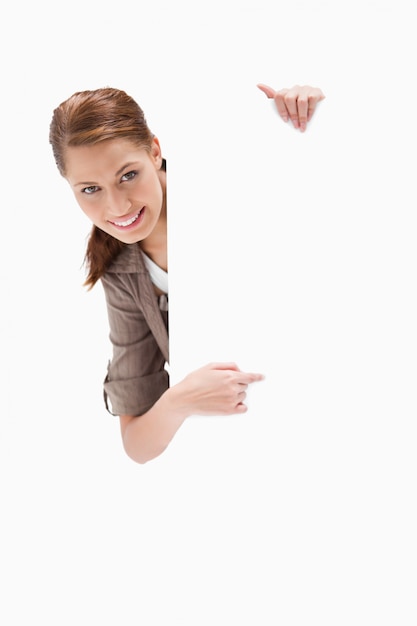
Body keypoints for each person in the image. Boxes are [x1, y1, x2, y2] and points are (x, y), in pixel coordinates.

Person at [49, 82, 325, 464]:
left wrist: (309, 115)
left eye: (128, 175)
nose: (117, 205)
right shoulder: (121, 271)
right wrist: (181, 400)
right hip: (261, 443)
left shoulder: (227, 179)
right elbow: (137, 444)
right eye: (90, 188)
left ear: (156, 152)